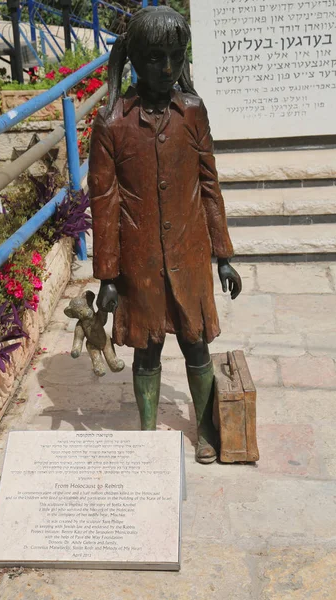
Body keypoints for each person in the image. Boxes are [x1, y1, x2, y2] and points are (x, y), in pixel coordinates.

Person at [88, 6, 242, 463]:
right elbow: (104, 205)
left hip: (190, 253)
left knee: (196, 342)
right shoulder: (111, 123)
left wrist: (223, 255)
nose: (168, 69)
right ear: (133, 58)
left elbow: (210, 187)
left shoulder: (193, 113)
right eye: (155, 58)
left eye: (176, 57)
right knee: (147, 348)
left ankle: (207, 427)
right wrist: (108, 276)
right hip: (140, 262)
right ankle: (149, 434)